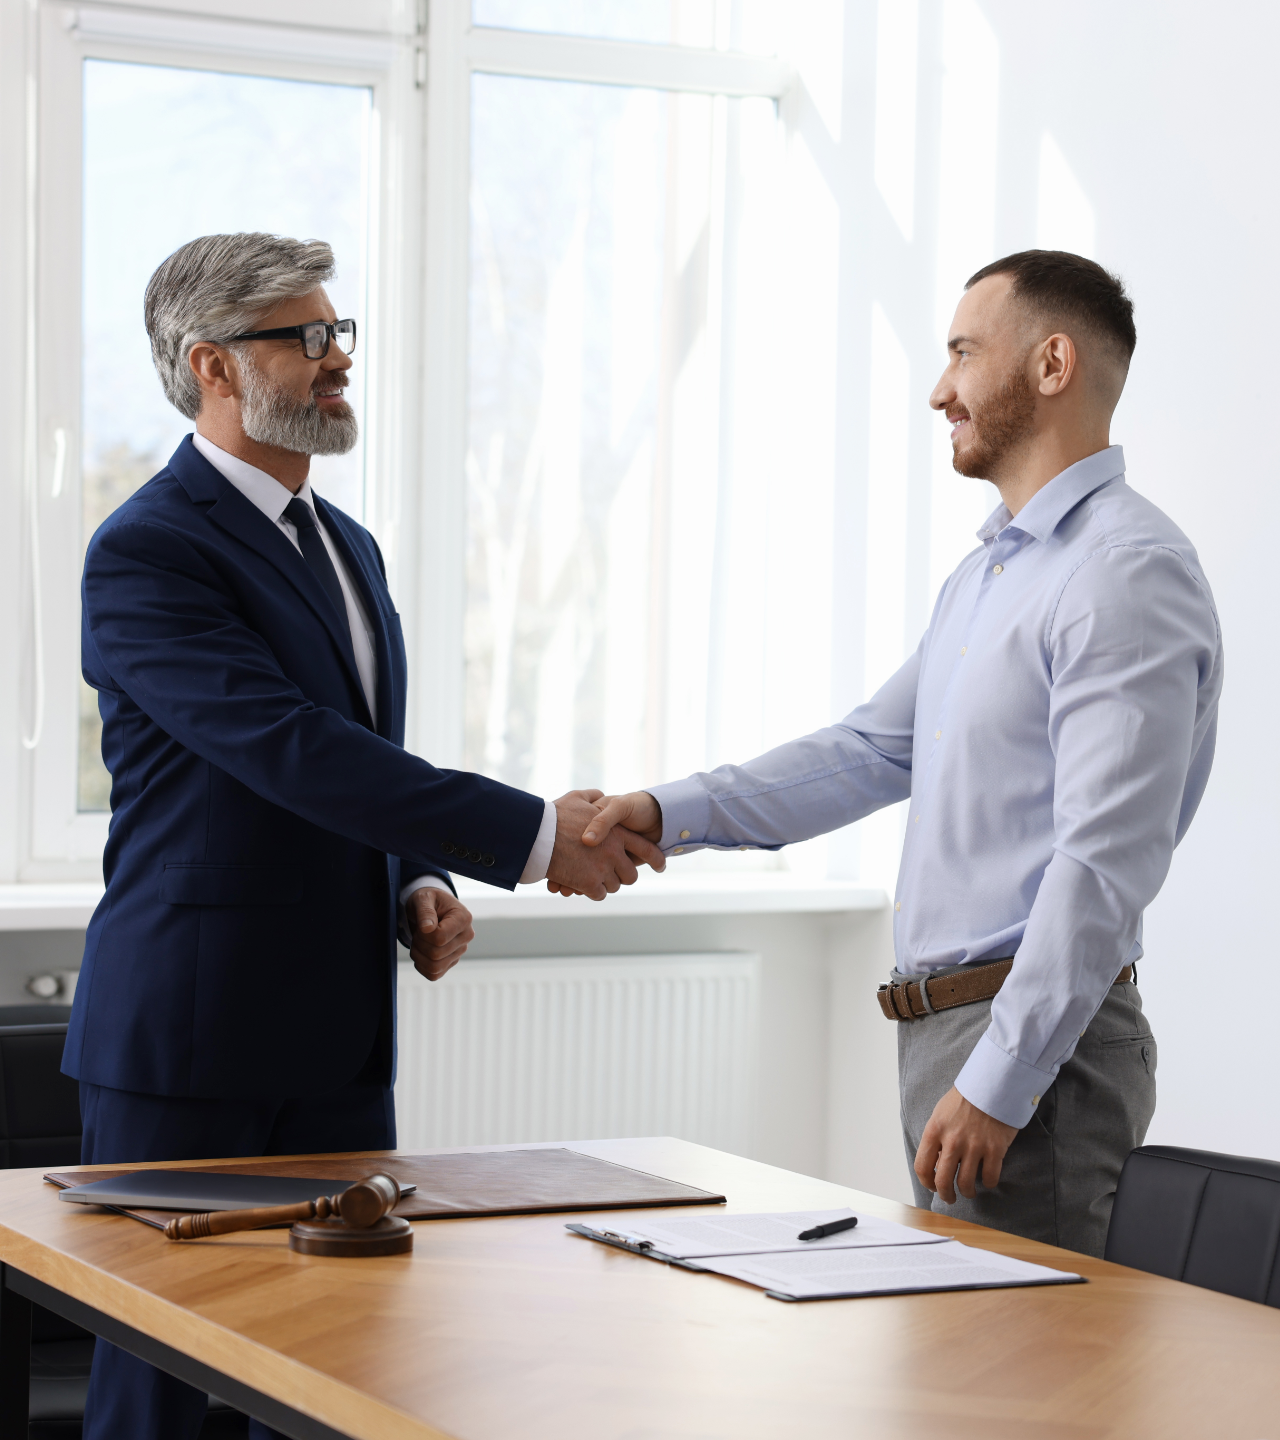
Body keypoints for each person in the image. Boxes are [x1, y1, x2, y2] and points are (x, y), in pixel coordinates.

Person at [69, 231, 662, 1440]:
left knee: (332, 1364)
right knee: (167, 1391)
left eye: (340, 331)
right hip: (188, 1046)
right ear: (214, 367)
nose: (337, 359)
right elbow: (285, 746)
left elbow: (346, 770)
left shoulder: (349, 545)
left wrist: (415, 875)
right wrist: (537, 835)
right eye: (306, 336)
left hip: (339, 1046)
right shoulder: (146, 552)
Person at [578, 250, 1223, 1258]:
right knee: (960, 1376)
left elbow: (1102, 864)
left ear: (1050, 364)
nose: (939, 390)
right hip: (947, 1037)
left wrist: (1000, 1079)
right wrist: (667, 812)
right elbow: (870, 750)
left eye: (963, 352)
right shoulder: (992, 575)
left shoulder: (1122, 573)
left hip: (1028, 1049)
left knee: (1021, 1395)